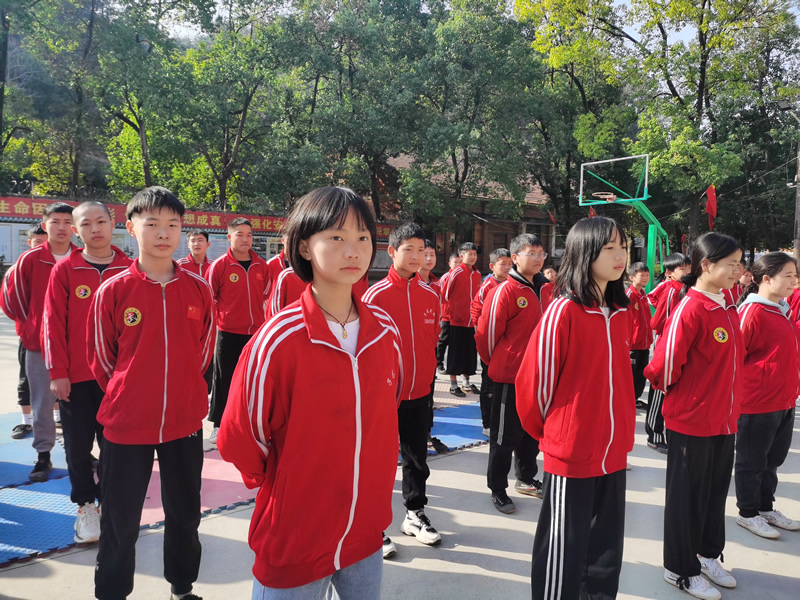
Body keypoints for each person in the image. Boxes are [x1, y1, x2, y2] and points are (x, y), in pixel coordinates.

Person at [217, 186, 402, 599]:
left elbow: (384, 412)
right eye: (336, 237)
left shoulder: (385, 332)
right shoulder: (278, 339)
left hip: (365, 532)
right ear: (304, 246)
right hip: (295, 537)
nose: (352, 250)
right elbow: (241, 436)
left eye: (362, 237)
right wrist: (289, 483)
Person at [87, 186, 214, 600]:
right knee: (120, 521)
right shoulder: (114, 290)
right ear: (130, 227)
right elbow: (102, 359)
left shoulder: (198, 289)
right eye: (153, 223)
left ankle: (182, 587)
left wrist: (183, 391)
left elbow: (203, 352)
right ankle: (112, 593)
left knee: (185, 514)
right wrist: (130, 392)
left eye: (173, 225)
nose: (163, 233)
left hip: (183, 423)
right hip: (126, 425)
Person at [516, 217, 635, 600]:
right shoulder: (563, 311)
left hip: (613, 452)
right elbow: (534, 387)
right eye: (609, 248)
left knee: (605, 551)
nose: (620, 256)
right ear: (585, 252)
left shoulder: (620, 311)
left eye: (623, 247)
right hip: (572, 453)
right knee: (563, 549)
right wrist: (559, 434)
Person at [645, 232, 744, 600]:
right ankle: (679, 568)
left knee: (715, 495)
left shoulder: (727, 305)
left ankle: (706, 555)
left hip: (724, 420)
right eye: (731, 264)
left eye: (739, 264)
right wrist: (691, 397)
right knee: (687, 499)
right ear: (706, 265)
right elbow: (663, 367)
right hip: (692, 421)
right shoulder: (692, 308)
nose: (737, 271)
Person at [41, 201, 132, 544]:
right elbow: (52, 324)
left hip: (118, 381)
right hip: (76, 379)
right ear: (76, 231)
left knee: (116, 447)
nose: (95, 229)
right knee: (78, 447)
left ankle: (111, 502)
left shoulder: (129, 269)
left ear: (113, 224)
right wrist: (57, 371)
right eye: (86, 224)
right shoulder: (65, 270)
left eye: (101, 221)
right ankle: (85, 505)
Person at [363, 222, 442, 557]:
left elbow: (431, 340)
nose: (415, 256)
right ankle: (373, 525)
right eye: (408, 249)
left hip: (420, 392)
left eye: (420, 249)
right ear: (392, 252)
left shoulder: (431, 295)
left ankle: (414, 514)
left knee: (416, 458)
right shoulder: (374, 296)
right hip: (384, 395)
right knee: (378, 462)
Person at [1, 203, 75, 482]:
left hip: (77, 346)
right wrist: (33, 326)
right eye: (55, 221)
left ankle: (80, 451)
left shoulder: (81, 258)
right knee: (43, 401)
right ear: (45, 225)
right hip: (40, 345)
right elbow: (12, 300)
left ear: (75, 227)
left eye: (67, 221)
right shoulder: (30, 260)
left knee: (79, 401)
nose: (61, 227)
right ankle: (43, 454)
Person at [476, 234, 546, 514]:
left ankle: (526, 478)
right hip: (510, 378)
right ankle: (497, 489)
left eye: (541, 253)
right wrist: (500, 363)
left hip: (538, 378)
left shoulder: (546, 289)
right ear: (515, 258)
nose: (538, 258)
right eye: (532, 253)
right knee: (504, 437)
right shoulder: (505, 291)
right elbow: (486, 336)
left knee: (532, 434)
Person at [735, 253, 800, 539]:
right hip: (757, 402)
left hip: (783, 400)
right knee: (752, 461)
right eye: (788, 275)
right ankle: (747, 513)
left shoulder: (780, 310)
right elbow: (734, 358)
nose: (794, 281)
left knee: (772, 460)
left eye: (795, 275)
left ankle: (765, 507)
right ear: (766, 278)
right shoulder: (752, 312)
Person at [206, 218, 269, 443]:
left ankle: (248, 424)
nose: (245, 239)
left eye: (249, 235)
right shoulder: (220, 266)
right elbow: (209, 298)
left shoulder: (261, 266)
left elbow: (265, 295)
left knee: (251, 380)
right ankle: (219, 424)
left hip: (255, 334)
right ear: (229, 237)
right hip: (227, 332)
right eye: (240, 234)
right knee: (224, 380)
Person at [645, 252, 691, 454]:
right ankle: (654, 435)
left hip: (678, 344)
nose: (687, 272)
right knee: (659, 388)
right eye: (682, 269)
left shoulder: (686, 288)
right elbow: (659, 322)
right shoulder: (671, 290)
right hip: (666, 344)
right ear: (670, 273)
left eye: (689, 268)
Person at [10, 224, 48, 439]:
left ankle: (58, 417)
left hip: (59, 334)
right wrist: (29, 325)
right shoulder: (22, 267)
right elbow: (10, 302)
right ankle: (26, 421)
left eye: (46, 242)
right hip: (31, 334)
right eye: (38, 242)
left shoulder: (60, 265)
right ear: (29, 243)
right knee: (26, 377)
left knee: (60, 375)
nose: (42, 246)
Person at [471, 248, 512, 433]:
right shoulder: (487, 286)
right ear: (492, 266)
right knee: (488, 385)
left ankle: (501, 420)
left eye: (510, 264)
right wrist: (482, 340)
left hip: (506, 346)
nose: (507, 267)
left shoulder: (513, 284)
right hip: (490, 345)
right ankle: (487, 423)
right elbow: (476, 312)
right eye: (503, 264)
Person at [178, 229, 214, 392]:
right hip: (184, 322)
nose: (196, 244)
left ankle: (203, 391)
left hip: (208, 320)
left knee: (206, 354)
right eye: (193, 240)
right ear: (188, 244)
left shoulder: (214, 266)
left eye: (200, 240)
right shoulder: (180, 266)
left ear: (208, 244)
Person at [443, 243, 481, 395]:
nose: (472, 257)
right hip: (457, 320)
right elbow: (445, 294)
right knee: (455, 353)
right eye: (469, 254)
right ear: (461, 256)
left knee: (470, 354)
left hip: (472, 322)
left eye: (474, 254)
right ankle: (453, 385)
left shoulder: (477, 274)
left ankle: (467, 382)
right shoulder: (456, 272)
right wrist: (454, 311)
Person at [626, 262, 653, 409]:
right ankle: (628, 400)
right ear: (631, 277)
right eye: (641, 275)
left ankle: (635, 399)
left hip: (644, 343)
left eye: (647, 275)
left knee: (641, 374)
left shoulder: (643, 295)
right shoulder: (629, 295)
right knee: (630, 374)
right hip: (633, 344)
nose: (645, 278)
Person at [435, 252, 461, 378]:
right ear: (450, 264)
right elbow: (438, 296)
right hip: (445, 315)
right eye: (455, 262)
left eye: (460, 263)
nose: (458, 265)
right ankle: (439, 363)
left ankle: (453, 366)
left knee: (455, 342)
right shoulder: (445, 277)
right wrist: (440, 313)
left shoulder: (463, 277)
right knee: (443, 340)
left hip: (458, 317)